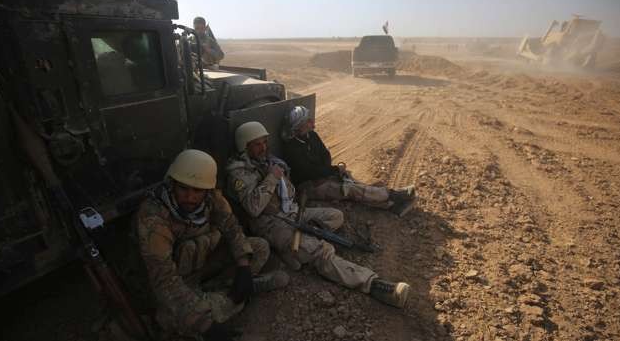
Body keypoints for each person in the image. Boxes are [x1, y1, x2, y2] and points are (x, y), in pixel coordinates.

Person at [226, 121, 411, 308]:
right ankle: (373, 284)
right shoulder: (239, 173)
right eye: (257, 144)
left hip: (292, 212)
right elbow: (254, 208)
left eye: (264, 142)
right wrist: (272, 177)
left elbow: (289, 192)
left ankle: (298, 246)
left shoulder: (267, 162)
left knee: (335, 216)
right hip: (271, 224)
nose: (263, 147)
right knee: (320, 251)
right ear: (245, 145)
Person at [136, 149, 288, 340]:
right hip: (178, 281)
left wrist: (243, 267)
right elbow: (164, 280)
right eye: (183, 188)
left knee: (259, 247)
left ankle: (229, 290)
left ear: (206, 190)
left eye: (197, 190)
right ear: (172, 183)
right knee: (170, 319)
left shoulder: (212, 199)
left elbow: (232, 229)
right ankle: (234, 297)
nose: (190, 197)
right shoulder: (153, 218)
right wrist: (205, 325)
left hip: (205, 264)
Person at [282, 106, 416, 217]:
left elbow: (325, 155)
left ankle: (391, 205)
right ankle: (394, 195)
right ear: (299, 126)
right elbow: (308, 173)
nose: (312, 123)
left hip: (322, 176)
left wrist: (330, 171)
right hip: (308, 186)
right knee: (349, 189)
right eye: (308, 121)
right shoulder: (291, 147)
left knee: (351, 181)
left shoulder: (311, 135)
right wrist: (332, 171)